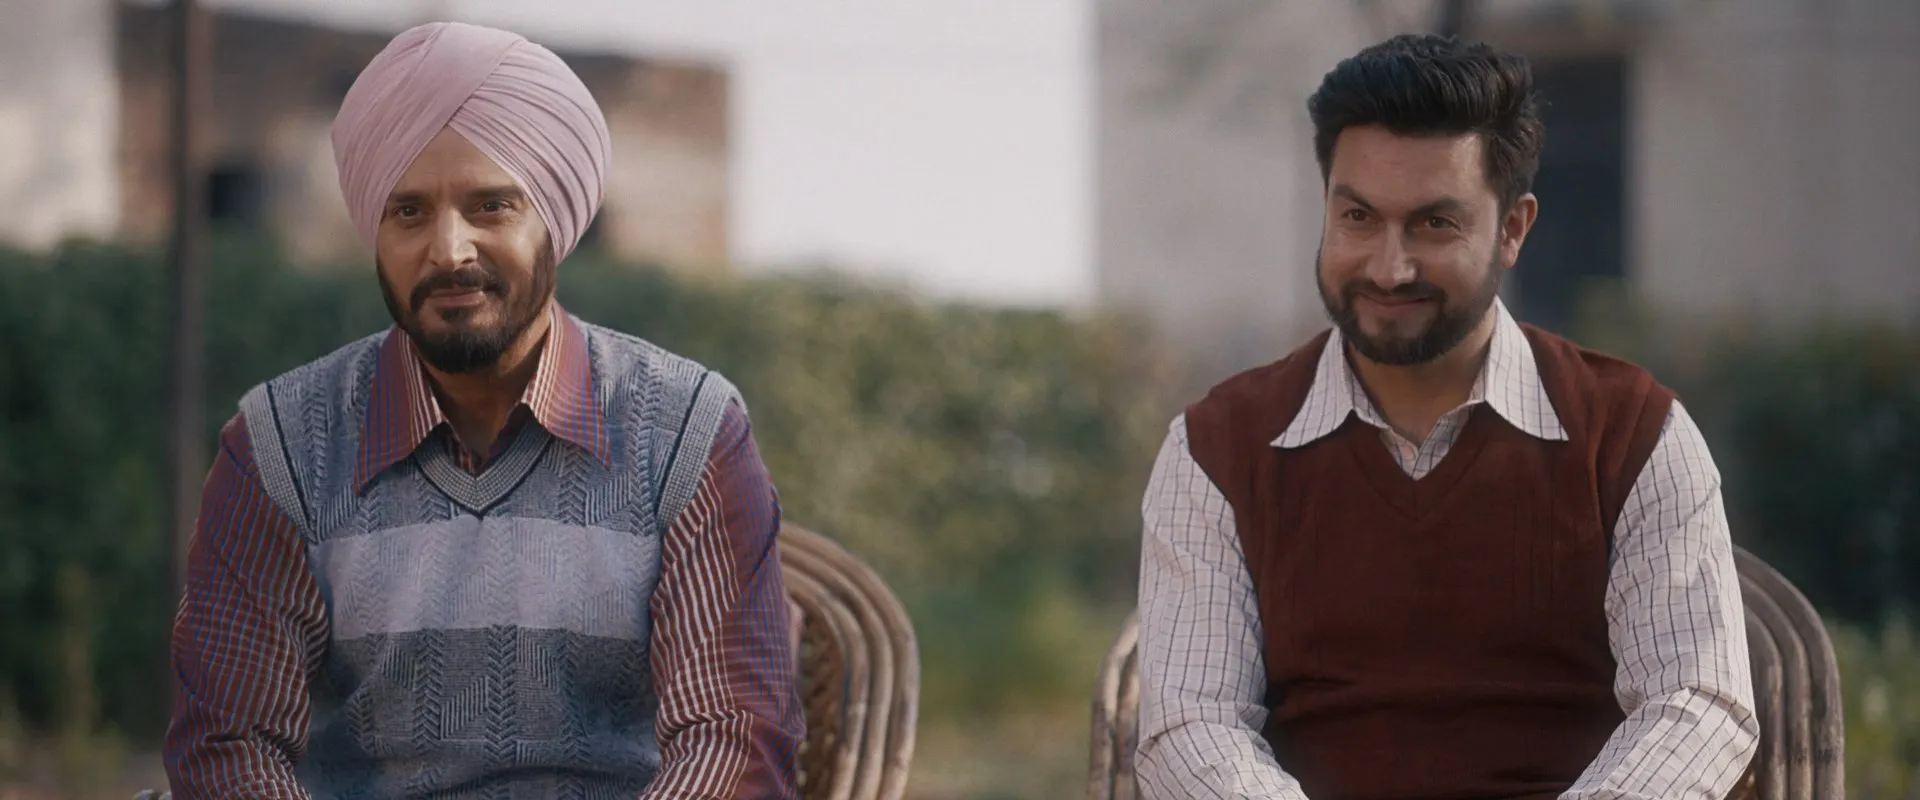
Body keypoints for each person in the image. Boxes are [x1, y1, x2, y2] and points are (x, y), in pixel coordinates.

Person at [164, 22, 803, 799]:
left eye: (491, 206)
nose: (449, 250)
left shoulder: (685, 432)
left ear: (554, 220)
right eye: (408, 212)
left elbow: (732, 735)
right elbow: (230, 744)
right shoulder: (280, 446)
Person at [1133, 33, 1758, 800]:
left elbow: (1696, 701)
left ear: (1513, 229)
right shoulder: (1216, 450)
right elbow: (1191, 724)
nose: (1389, 267)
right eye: (1358, 217)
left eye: (1434, 224)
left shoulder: (1633, 435)